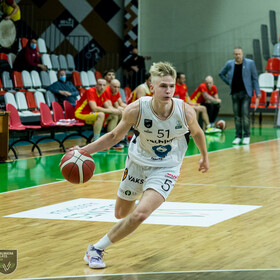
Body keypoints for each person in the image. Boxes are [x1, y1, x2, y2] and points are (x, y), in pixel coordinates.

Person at [80, 61, 209, 269]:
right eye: (163, 86)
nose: (168, 90)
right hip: (137, 162)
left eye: (171, 86)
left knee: (140, 214)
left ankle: (96, 249)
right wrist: (83, 151)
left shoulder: (185, 112)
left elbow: (197, 133)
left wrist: (204, 156)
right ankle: (138, 196)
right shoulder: (136, 109)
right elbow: (113, 136)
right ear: (152, 87)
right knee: (121, 214)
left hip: (167, 167)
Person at [219, 47, 260, 145]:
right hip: (235, 93)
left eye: (239, 54)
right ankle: (238, 136)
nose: (238, 56)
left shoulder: (250, 63)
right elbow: (221, 74)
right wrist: (229, 82)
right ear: (234, 55)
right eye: (236, 54)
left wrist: (257, 93)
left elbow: (255, 78)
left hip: (246, 93)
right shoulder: (230, 64)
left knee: (245, 115)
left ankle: (246, 136)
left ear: (242, 54)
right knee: (237, 116)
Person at [74, 78, 121, 145]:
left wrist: (117, 111)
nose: (102, 87)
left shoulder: (103, 93)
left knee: (114, 116)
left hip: (91, 114)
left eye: (104, 85)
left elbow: (108, 106)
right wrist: (110, 110)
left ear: (106, 86)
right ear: (96, 85)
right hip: (80, 113)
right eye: (100, 85)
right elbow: (94, 108)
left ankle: (111, 141)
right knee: (101, 115)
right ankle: (96, 142)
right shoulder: (91, 91)